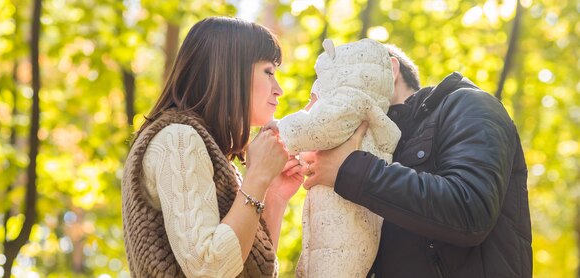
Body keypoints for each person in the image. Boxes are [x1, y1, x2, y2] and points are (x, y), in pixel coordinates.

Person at [303, 44, 532, 277]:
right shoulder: (377, 149)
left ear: (390, 69)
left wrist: (350, 169)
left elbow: (470, 209)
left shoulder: (469, 105)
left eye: (341, 81)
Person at [121, 16, 303, 277]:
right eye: (269, 72)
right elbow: (208, 268)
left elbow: (254, 271)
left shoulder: (212, 153)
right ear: (231, 70)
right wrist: (258, 176)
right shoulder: (179, 140)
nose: (279, 89)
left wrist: (273, 194)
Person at [274, 38, 400, 277]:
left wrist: (279, 130)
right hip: (347, 220)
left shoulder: (351, 102)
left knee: (333, 263)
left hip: (344, 222)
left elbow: (318, 129)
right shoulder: (369, 107)